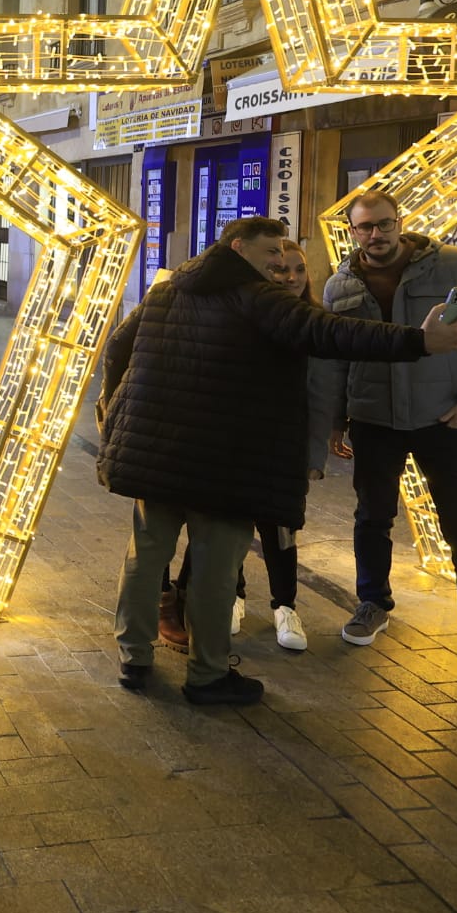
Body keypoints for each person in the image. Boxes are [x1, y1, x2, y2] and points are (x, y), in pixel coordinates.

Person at [101, 217, 457, 706]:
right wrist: (418, 341)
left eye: (282, 253)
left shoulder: (168, 290)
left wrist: (115, 406)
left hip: (157, 452)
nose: (280, 262)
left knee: (147, 553)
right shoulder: (257, 297)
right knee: (216, 567)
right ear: (239, 248)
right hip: (226, 460)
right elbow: (330, 332)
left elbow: (117, 346)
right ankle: (207, 675)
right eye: (271, 252)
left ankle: (133, 657)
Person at [312, 192, 457, 704]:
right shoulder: (341, 284)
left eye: (384, 224)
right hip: (373, 421)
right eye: (365, 228)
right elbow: (334, 356)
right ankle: (373, 602)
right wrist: (335, 420)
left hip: (443, 420)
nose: (376, 235)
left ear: (400, 223)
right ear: (353, 232)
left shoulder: (455, 268)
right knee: (372, 517)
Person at [165, 236, 325, 654]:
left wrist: (315, 453)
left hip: (282, 448)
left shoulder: (315, 322)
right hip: (233, 445)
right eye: (280, 268)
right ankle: (232, 596)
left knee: (281, 530)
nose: (290, 277)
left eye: (298, 269)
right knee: (226, 527)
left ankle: (285, 606)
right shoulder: (244, 312)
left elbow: (322, 396)